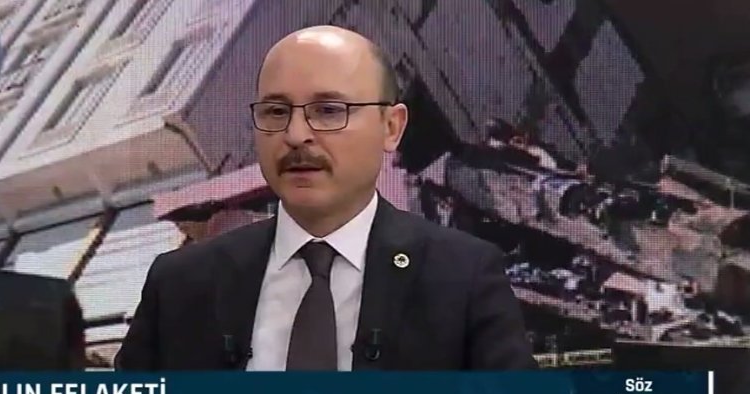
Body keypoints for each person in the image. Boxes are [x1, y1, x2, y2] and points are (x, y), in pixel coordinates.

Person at [117, 25, 537, 371]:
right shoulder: (177, 286)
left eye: (330, 111)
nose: (297, 135)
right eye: (276, 112)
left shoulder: (465, 271)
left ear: (390, 127)